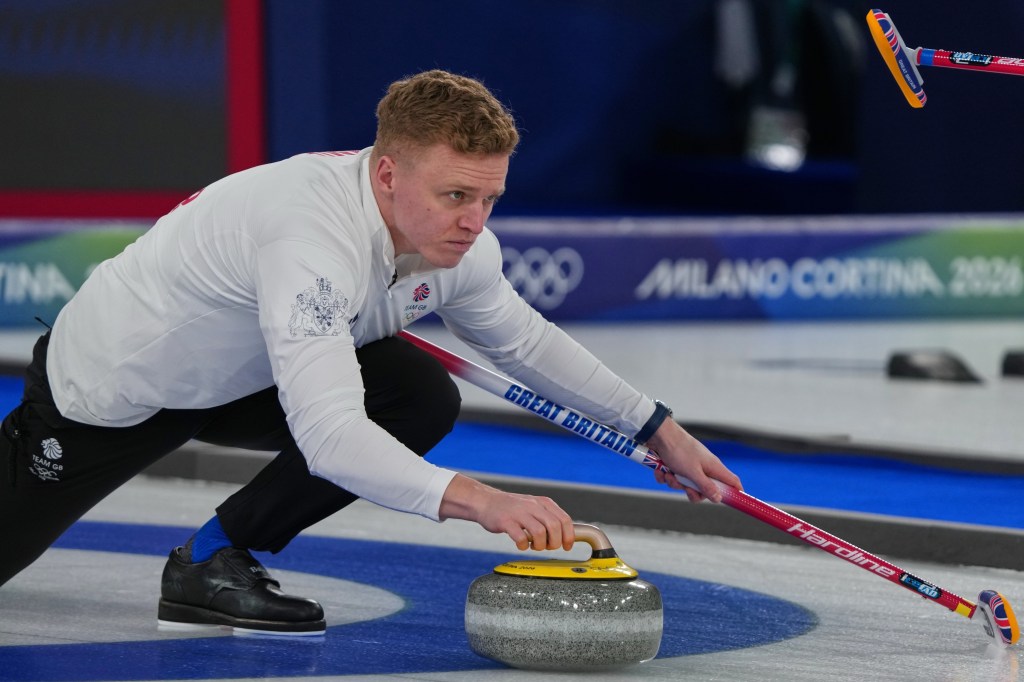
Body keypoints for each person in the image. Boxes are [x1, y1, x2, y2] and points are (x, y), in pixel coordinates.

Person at [0, 69, 741, 636]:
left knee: (417, 393)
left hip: (249, 371)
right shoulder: (308, 235)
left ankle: (210, 560)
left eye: (489, 199)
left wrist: (659, 432)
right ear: (387, 174)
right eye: (456, 196)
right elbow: (329, 439)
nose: (474, 222)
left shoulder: (459, 245)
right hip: (114, 390)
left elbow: (524, 342)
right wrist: (483, 502)